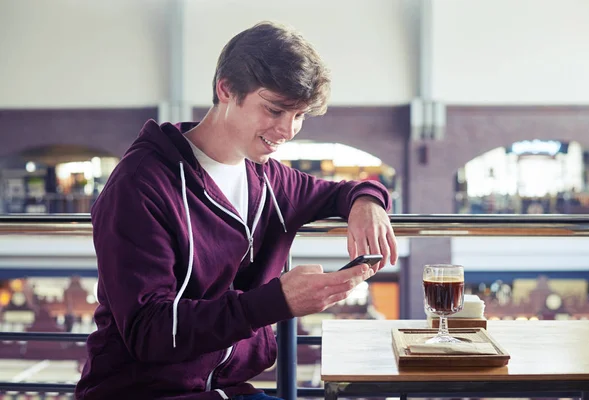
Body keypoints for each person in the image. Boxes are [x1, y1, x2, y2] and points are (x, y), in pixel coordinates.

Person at [75, 21, 397, 400]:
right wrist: (276, 301)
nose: (288, 129)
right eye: (275, 110)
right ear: (225, 89)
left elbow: (346, 190)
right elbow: (150, 332)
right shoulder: (140, 184)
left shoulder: (268, 180)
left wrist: (369, 202)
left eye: (299, 115)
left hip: (227, 390)